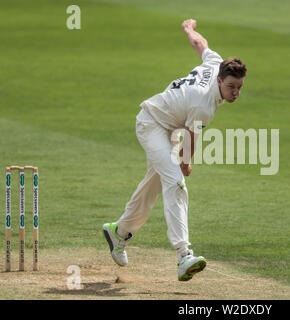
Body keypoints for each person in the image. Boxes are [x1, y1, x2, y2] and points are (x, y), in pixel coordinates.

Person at [103, 19, 247, 281]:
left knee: (154, 185)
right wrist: (185, 163)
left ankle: (119, 232)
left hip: (171, 126)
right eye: (231, 87)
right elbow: (191, 140)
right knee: (176, 181)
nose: (235, 93)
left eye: (239, 87)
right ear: (219, 80)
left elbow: (200, 44)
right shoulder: (205, 104)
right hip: (151, 124)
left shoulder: (216, 62)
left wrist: (189, 30)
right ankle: (184, 255)